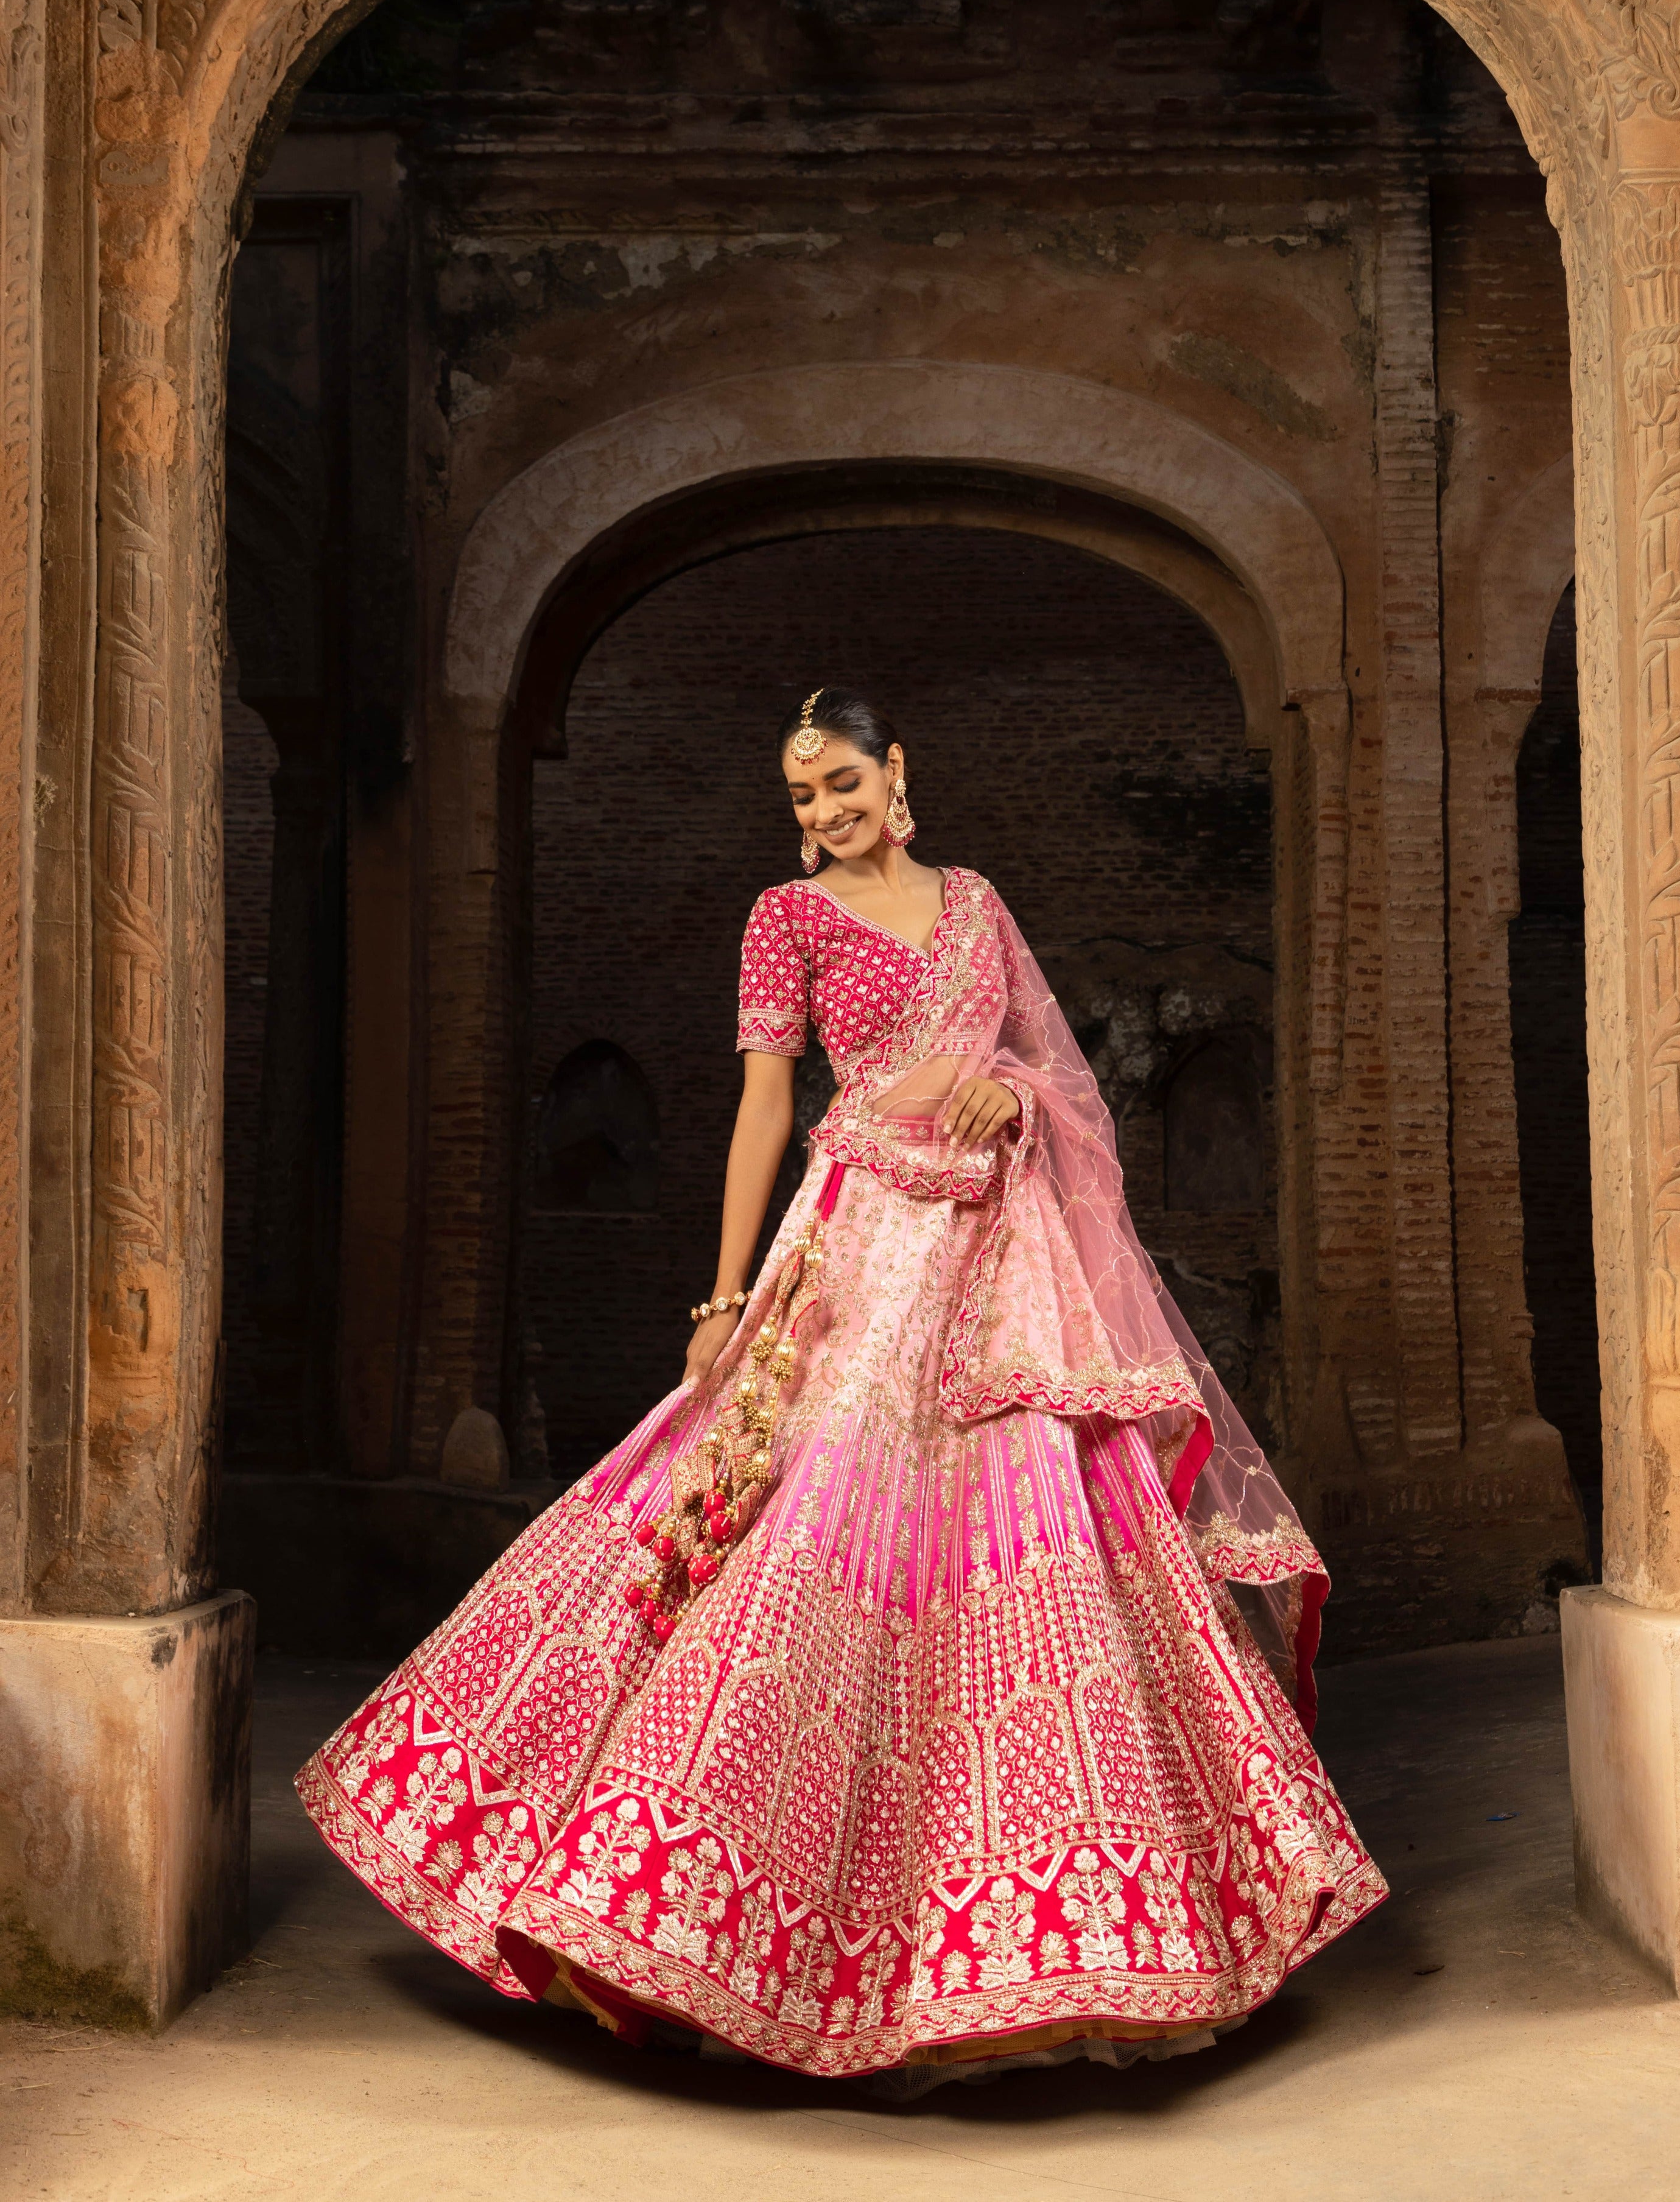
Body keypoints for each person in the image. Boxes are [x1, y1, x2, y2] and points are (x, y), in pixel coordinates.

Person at [298, 686, 1385, 2086]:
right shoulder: (786, 918)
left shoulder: (978, 904)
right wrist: (724, 1291)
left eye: (842, 785)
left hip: (1001, 1260)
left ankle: (1055, 1940)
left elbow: (1053, 1077)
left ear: (897, 772)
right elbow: (766, 1102)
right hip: (861, 1245)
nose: (823, 813)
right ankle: (722, 1926)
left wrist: (1015, 1096)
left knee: (1047, 1521)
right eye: (803, 797)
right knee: (809, 1514)